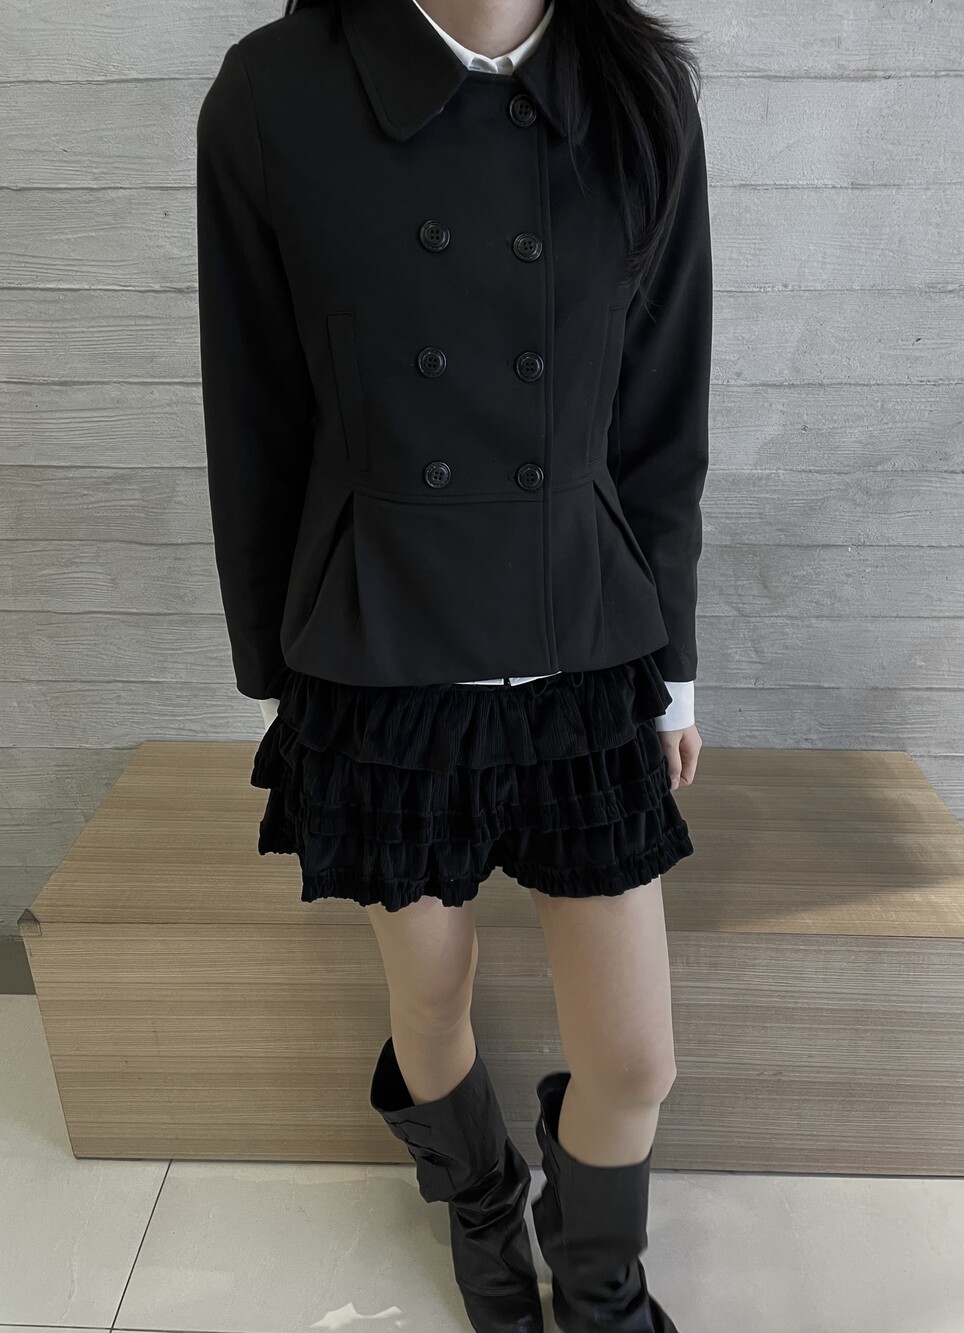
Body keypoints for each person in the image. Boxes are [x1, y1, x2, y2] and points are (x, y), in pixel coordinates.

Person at [195, 0, 711, 1328]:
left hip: (585, 646)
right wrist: (276, 671)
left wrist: (675, 669)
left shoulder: (640, 90)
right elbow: (254, 412)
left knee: (637, 1060)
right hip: (383, 657)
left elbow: (661, 415)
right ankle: (484, 1214)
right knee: (430, 1001)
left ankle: (598, 1282)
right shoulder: (274, 94)